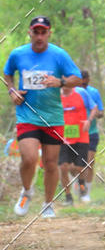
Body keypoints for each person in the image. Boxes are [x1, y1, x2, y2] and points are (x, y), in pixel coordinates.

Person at [2, 16, 82, 218]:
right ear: (29, 32)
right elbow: (7, 73)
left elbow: (78, 78)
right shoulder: (18, 54)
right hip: (27, 114)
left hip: (53, 117)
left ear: (49, 33)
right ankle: (27, 191)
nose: (39, 36)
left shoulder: (58, 54)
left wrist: (60, 81)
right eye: (35, 32)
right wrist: (12, 91)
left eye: (43, 32)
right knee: (28, 158)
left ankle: (48, 203)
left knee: (50, 163)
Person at [59, 82, 94, 204]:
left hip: (81, 137)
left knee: (79, 168)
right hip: (63, 138)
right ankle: (68, 197)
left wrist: (89, 120)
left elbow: (94, 107)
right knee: (63, 167)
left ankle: (82, 185)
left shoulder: (81, 93)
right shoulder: (56, 95)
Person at [81, 69, 103, 200]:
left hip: (92, 132)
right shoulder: (73, 93)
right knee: (77, 165)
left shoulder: (94, 92)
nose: (82, 87)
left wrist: (94, 114)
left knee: (89, 163)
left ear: (89, 80)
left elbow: (101, 112)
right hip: (75, 134)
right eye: (80, 84)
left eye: (85, 84)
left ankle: (86, 193)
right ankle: (78, 186)